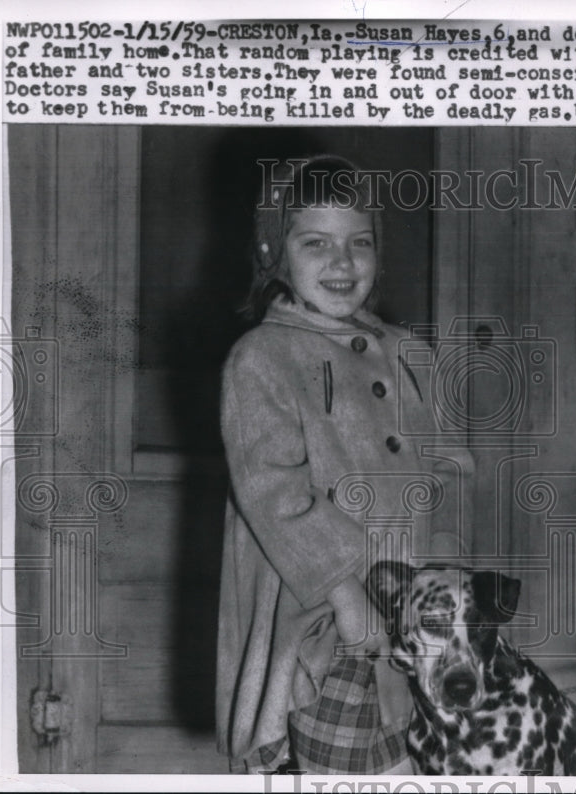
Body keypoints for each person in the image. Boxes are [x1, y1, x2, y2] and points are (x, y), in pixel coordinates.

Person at [215, 154, 473, 774]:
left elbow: (450, 469)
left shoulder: (408, 351)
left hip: (417, 623)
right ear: (274, 251)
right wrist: (349, 602)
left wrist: (441, 589)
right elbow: (277, 497)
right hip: (326, 630)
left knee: (419, 764)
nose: (343, 262)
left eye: (360, 242)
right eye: (316, 243)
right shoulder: (262, 357)